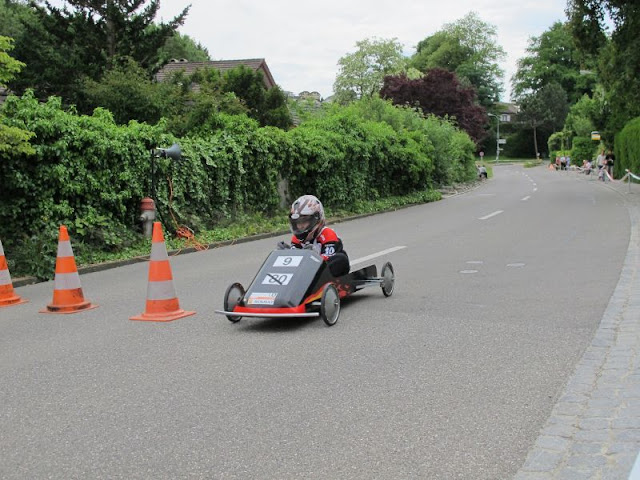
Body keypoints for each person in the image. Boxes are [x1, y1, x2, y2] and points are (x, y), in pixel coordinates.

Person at [277, 195, 350, 277]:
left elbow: (328, 257)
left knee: (341, 258)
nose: (300, 226)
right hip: (305, 273)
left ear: (316, 218)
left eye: (304, 221)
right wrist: (286, 253)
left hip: (324, 272)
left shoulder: (328, 234)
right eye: (298, 222)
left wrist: (312, 255)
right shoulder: (296, 239)